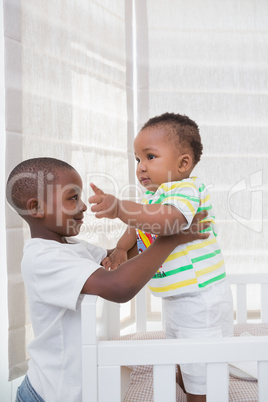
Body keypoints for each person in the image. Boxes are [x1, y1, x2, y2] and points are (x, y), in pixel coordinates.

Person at [6, 157, 209, 402]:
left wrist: (161, 224)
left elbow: (117, 262)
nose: (83, 206)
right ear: (37, 208)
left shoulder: (69, 247)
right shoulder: (42, 258)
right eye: (73, 198)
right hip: (50, 395)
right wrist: (173, 238)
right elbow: (119, 286)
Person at [89, 112, 234, 402]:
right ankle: (188, 376)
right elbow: (138, 225)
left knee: (200, 369)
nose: (141, 167)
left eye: (150, 157)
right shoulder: (154, 197)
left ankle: (199, 393)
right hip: (176, 298)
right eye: (137, 160)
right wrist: (120, 248)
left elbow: (168, 221)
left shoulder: (185, 190)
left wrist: (120, 208)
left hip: (200, 298)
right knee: (180, 352)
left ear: (183, 163)